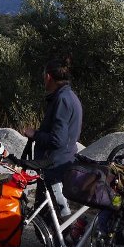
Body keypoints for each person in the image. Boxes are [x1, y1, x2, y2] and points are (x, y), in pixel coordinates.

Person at [23, 56, 83, 222]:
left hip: (54, 166)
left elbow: (58, 140)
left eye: (44, 76)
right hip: (60, 162)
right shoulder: (69, 96)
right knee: (57, 213)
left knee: (53, 216)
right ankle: (63, 244)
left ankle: (65, 245)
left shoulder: (62, 100)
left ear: (48, 76)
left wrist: (34, 135)